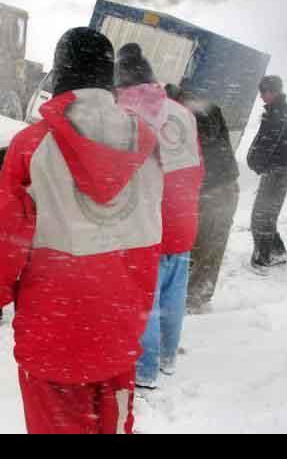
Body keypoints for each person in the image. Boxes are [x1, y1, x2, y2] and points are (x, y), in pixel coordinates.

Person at [0, 28, 164, 434]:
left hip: (54, 339)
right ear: (107, 76)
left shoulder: (32, 147)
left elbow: (3, 243)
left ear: (61, 72)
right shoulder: (147, 147)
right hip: (119, 333)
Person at [116, 44, 203, 389]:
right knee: (172, 295)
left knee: (144, 302)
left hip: (152, 221)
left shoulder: (130, 113)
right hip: (185, 217)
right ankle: (167, 357)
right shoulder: (182, 112)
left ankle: (145, 370)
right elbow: (198, 165)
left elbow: (125, 175)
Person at [175, 87, 240, 313]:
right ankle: (190, 295)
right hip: (212, 188)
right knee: (199, 245)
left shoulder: (195, 115)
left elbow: (202, 142)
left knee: (209, 246)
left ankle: (196, 299)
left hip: (218, 189)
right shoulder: (205, 110)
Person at [247, 76, 287, 272]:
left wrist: (256, 162)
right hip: (277, 170)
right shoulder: (278, 111)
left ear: (272, 92)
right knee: (266, 214)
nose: (261, 97)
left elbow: (268, 143)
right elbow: (266, 141)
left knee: (261, 215)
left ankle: (264, 258)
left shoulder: (278, 113)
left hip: (277, 171)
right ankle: (277, 252)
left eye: (263, 92)